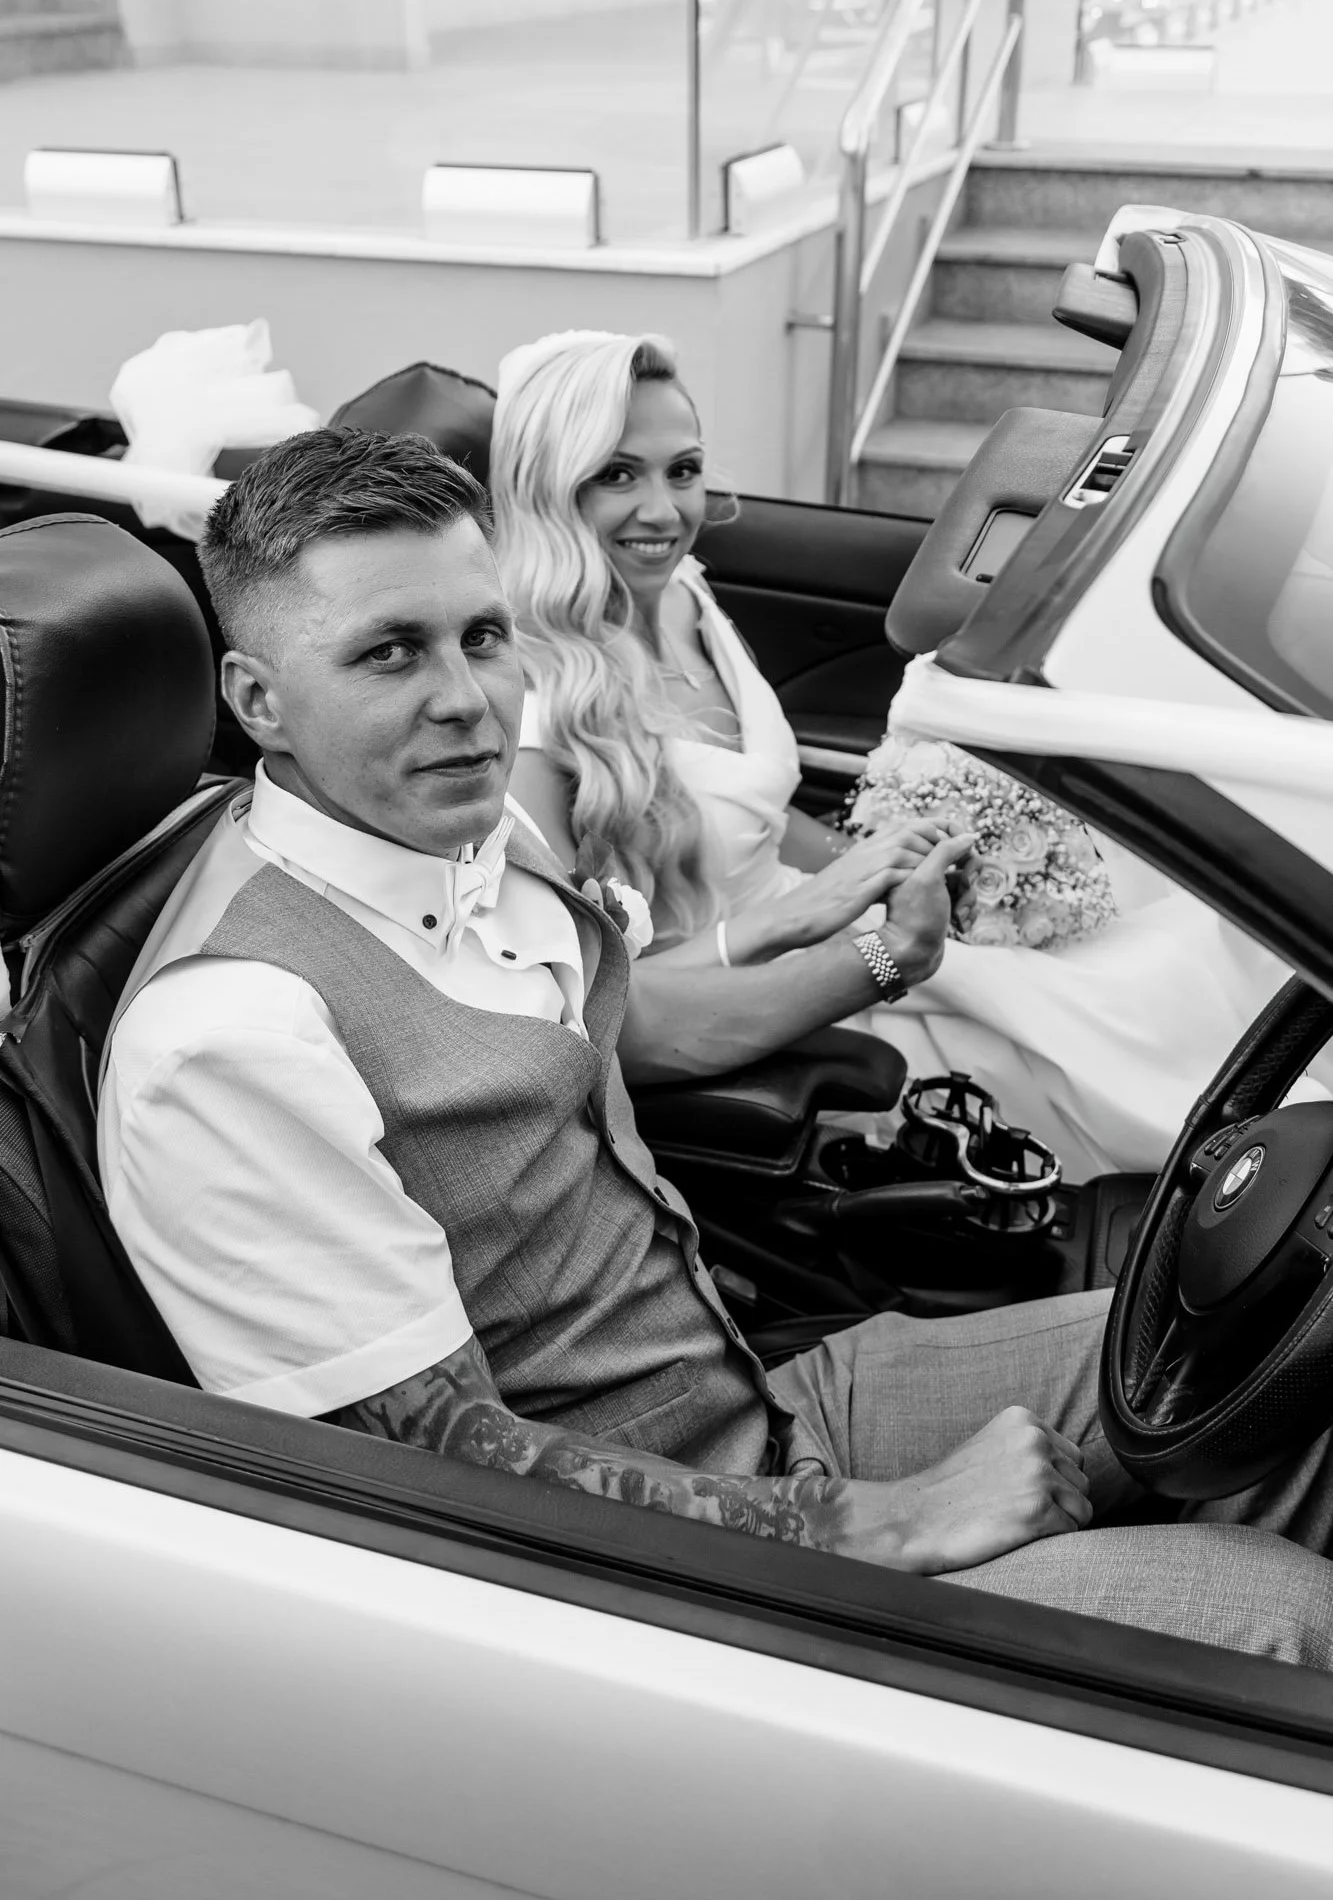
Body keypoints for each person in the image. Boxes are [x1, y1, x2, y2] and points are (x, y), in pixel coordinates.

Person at [97, 426, 1333, 1668]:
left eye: (481, 635)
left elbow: (619, 1016)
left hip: (764, 1398)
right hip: (674, 1586)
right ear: (257, 698)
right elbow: (428, 1459)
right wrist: (873, 1520)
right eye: (387, 654)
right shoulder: (230, 1040)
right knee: (1289, 1615)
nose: (467, 698)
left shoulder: (449, 830)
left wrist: (852, 941)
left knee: (1261, 1359)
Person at [490, 328, 1318, 1183]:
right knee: (1116, 1015)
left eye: (683, 470)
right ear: (544, 488)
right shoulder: (527, 709)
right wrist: (853, 933)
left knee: (1188, 922)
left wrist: (902, 858)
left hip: (838, 914)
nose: (663, 511)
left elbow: (763, 823)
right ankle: (1259, 1189)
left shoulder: (680, 594)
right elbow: (596, 1002)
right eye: (615, 474)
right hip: (765, 991)